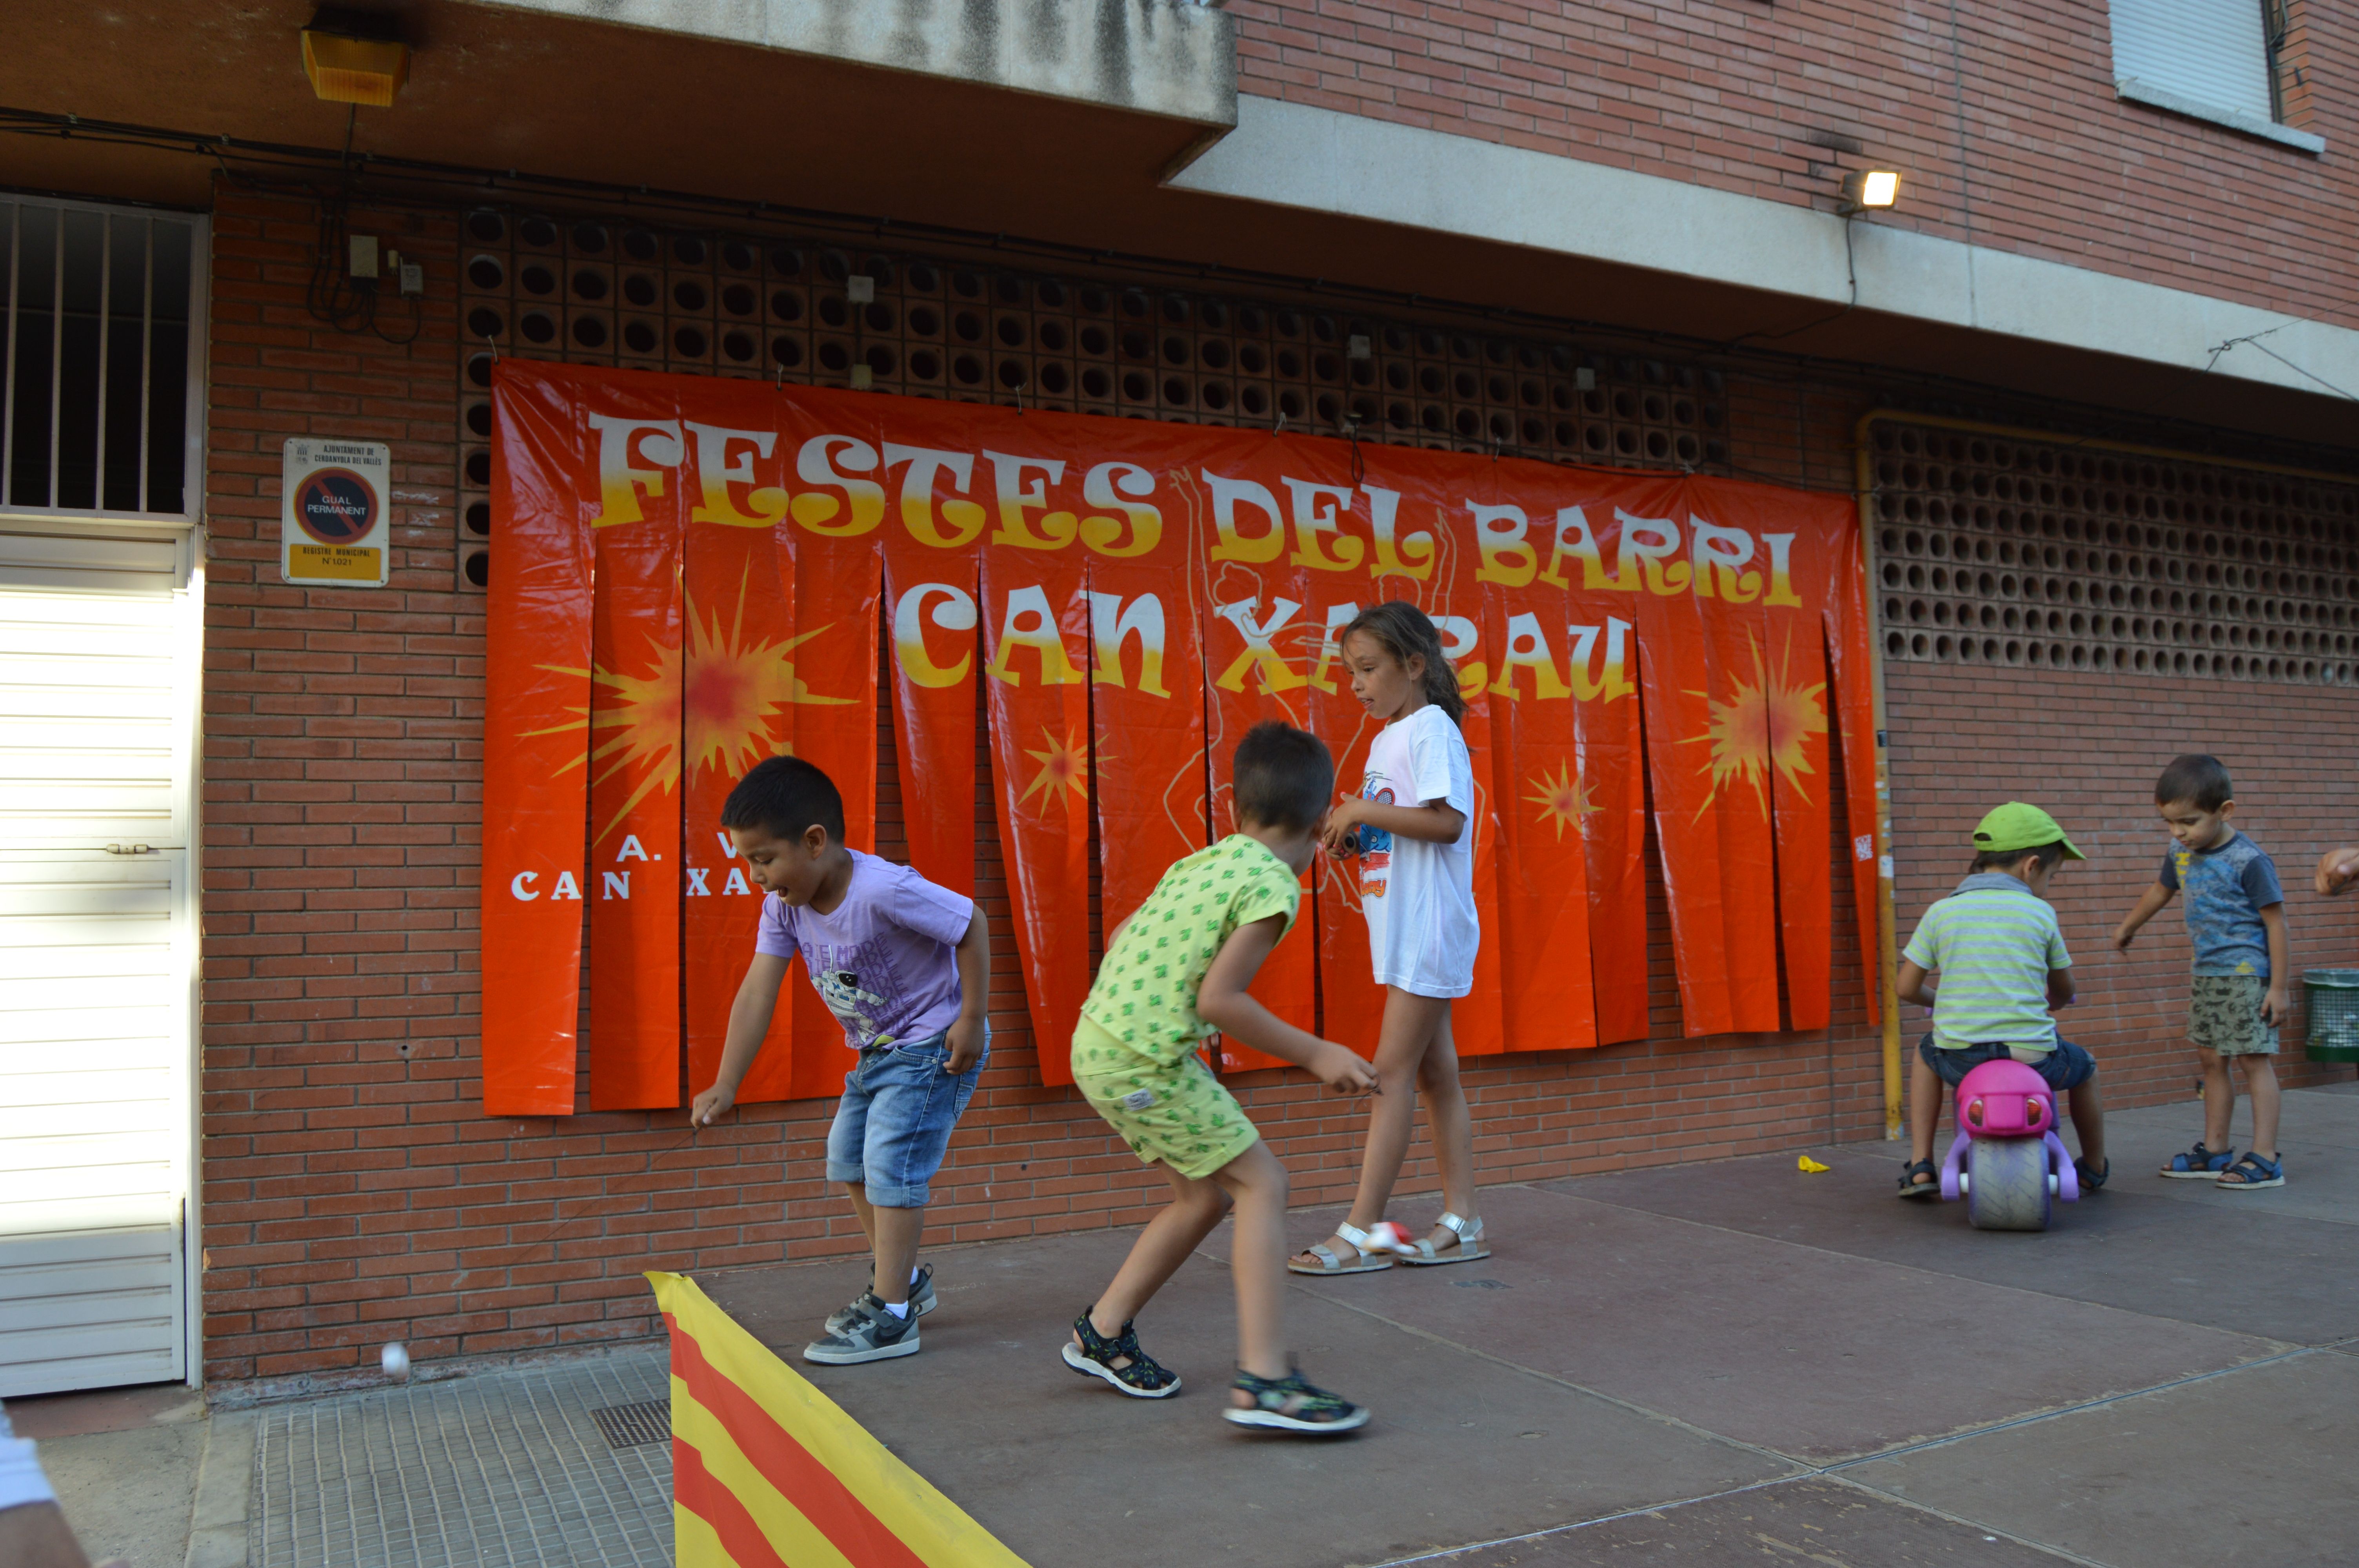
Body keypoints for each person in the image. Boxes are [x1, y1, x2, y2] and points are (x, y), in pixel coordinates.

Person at [1064, 722, 1379, 1434]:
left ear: (1237, 810)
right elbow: (1220, 1001)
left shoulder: (1201, 863)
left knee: (1203, 1194)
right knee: (1263, 1183)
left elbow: (1122, 938)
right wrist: (1317, 1052)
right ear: (1324, 820)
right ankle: (1266, 1380)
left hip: (1100, 1040)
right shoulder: (1272, 884)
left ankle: (1103, 1332)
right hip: (1143, 1058)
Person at [691, 755, 990, 1363]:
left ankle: (893, 1316)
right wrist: (727, 1081)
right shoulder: (784, 907)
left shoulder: (883, 889)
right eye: (747, 862)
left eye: (763, 859)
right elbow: (757, 989)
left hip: (931, 1047)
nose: (757, 876)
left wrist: (973, 1019)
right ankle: (900, 1283)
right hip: (878, 1053)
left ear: (814, 842)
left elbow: (970, 923)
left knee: (890, 1167)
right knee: (847, 1159)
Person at [1293, 601, 1487, 1275]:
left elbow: (1445, 824)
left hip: (1427, 928)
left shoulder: (1431, 728)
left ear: (1415, 664)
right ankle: (1463, 1222)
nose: (1357, 684)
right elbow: (1402, 827)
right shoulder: (1389, 740)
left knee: (1392, 1075)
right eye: (1351, 672)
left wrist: (1358, 809)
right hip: (1405, 927)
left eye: (1369, 669)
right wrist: (1356, 831)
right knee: (1437, 1075)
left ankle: (1362, 1231)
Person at [1894, 803, 2109, 1198]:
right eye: (2052, 876)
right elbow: (2062, 987)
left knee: (1925, 1053)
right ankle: (2094, 1165)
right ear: (2031, 867)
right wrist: (2053, 1002)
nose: (2048, 885)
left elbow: (1906, 988)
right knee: (2086, 1068)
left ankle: (1921, 1163)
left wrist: (1941, 1002)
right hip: (2034, 1059)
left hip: (1959, 1057)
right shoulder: (2039, 913)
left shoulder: (1942, 912)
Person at [2112, 754, 2290, 1189]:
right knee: (2211, 1059)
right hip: (2207, 973)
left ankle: (2266, 1158)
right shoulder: (2180, 851)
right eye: (2169, 822)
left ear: (2224, 811)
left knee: (2252, 1060)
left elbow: (2276, 923)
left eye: (2188, 822)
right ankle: (2214, 1150)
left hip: (2248, 975)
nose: (2177, 832)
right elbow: (2161, 890)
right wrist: (2128, 926)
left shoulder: (2248, 860)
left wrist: (2279, 988)